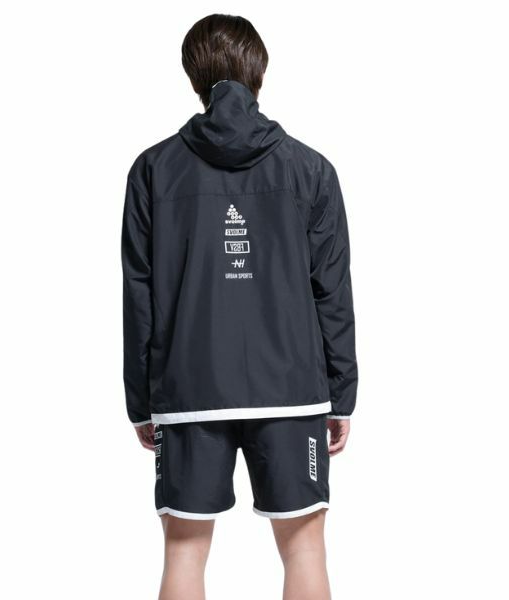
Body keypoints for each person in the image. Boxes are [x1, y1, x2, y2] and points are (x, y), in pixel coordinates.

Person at [121, 13, 357, 600]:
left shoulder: (153, 170)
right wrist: (341, 393)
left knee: (183, 551)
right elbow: (332, 292)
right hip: (293, 390)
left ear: (192, 76)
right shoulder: (311, 169)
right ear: (260, 72)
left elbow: (139, 296)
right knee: (304, 548)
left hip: (189, 391)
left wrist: (142, 402)